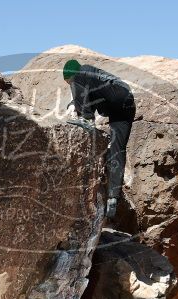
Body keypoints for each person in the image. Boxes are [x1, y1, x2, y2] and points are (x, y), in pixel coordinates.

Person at [62, 59, 135, 219]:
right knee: (118, 148)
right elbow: (90, 96)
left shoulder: (82, 72)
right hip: (125, 104)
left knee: (78, 79)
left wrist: (82, 114)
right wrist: (73, 104)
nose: (70, 86)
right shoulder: (93, 80)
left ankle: (86, 120)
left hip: (118, 94)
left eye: (68, 83)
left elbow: (80, 89)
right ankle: (113, 198)